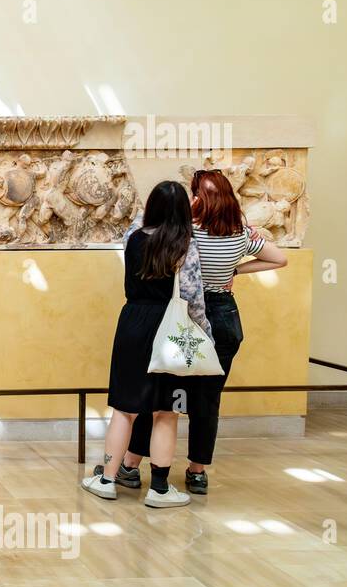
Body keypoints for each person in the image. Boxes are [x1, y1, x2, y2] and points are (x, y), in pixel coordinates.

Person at [116, 170, 287, 495]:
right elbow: (279, 259)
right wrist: (236, 269)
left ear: (199, 198)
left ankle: (132, 465)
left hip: (182, 315)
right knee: (207, 400)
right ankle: (197, 472)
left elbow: (148, 240)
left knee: (158, 397)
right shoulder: (240, 233)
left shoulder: (187, 231)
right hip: (224, 316)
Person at [81, 180, 211, 508]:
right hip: (168, 327)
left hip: (132, 324)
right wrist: (205, 333)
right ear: (184, 212)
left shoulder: (133, 237)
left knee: (124, 409)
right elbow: (193, 297)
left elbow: (139, 221)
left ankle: (107, 479)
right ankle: (160, 489)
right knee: (166, 412)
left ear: (151, 207)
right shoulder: (186, 244)